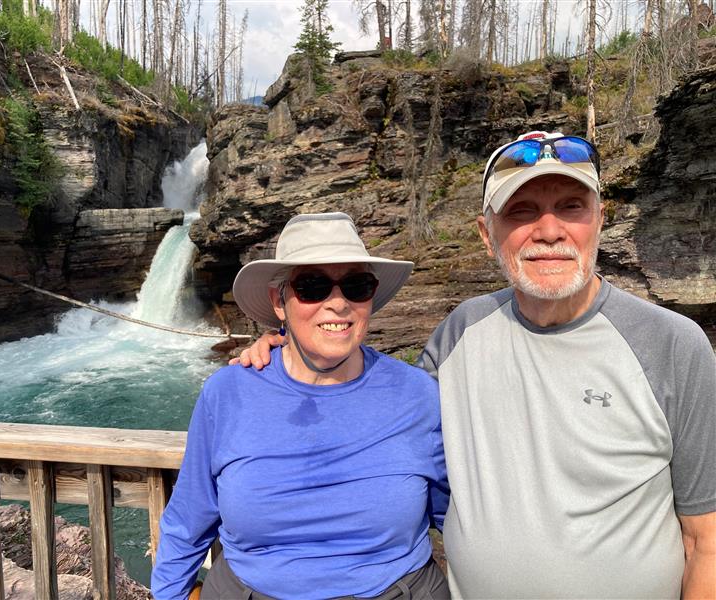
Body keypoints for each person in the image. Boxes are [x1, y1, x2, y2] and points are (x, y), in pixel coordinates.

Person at [234, 132, 716, 599]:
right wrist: (286, 348)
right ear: (488, 235)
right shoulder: (460, 332)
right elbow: (373, 401)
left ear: (600, 218)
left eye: (571, 206)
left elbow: (706, 542)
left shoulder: (672, 345)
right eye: (521, 211)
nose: (549, 231)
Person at [152, 212, 450, 599]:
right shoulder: (227, 392)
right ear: (280, 301)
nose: (338, 304)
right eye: (313, 286)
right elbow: (188, 520)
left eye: (356, 285)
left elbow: (458, 519)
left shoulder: (417, 394)